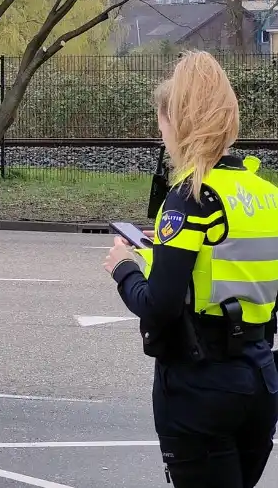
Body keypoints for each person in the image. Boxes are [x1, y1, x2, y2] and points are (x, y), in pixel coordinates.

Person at [103, 51, 278, 488]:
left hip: (200, 384)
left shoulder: (190, 197)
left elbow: (158, 306)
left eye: (161, 121)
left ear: (176, 120)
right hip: (260, 378)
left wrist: (124, 268)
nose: (160, 134)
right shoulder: (264, 193)